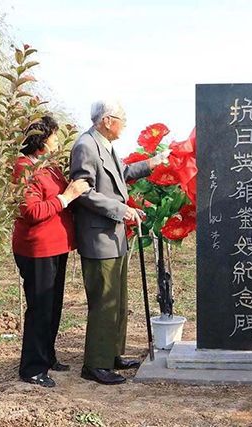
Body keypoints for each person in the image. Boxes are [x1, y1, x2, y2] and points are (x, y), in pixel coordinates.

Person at [70, 100, 169, 385]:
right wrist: (119, 209)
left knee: (118, 299)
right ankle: (95, 365)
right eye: (122, 119)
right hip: (98, 236)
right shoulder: (85, 146)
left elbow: (121, 174)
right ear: (107, 120)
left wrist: (150, 164)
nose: (125, 125)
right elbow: (83, 191)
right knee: (104, 300)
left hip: (114, 235)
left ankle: (111, 354)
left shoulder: (105, 145)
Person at [12, 116, 90, 388]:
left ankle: (47, 356)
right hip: (37, 250)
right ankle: (32, 367)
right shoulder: (23, 168)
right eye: (54, 136)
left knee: (53, 304)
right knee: (40, 306)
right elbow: (31, 211)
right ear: (41, 141)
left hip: (56, 246)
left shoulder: (50, 167)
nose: (57, 141)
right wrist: (67, 197)